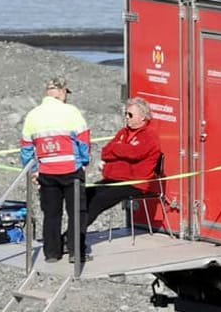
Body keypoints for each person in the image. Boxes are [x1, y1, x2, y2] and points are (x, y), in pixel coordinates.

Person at [74, 99, 164, 259]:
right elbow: (106, 151)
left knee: (98, 201)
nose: (126, 117)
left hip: (133, 183)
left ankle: (72, 239)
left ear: (143, 117)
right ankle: (73, 236)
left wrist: (117, 150)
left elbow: (136, 153)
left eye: (130, 114)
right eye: (125, 114)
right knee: (85, 194)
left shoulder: (150, 135)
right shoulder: (123, 132)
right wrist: (121, 151)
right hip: (114, 179)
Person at [20, 80, 90, 263]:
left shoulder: (33, 115)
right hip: (71, 169)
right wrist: (84, 161)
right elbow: (83, 139)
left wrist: (33, 170)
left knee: (51, 213)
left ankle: (51, 253)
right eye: (66, 92)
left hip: (47, 171)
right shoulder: (71, 112)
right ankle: (76, 252)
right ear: (61, 92)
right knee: (77, 212)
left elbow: (26, 147)